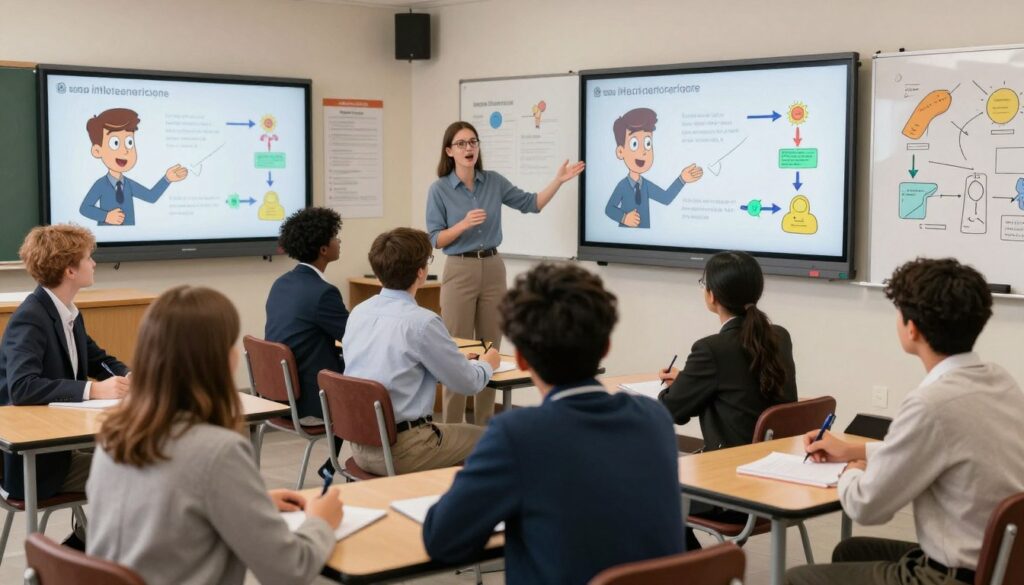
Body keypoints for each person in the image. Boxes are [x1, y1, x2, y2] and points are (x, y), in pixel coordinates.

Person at [423, 263, 683, 585]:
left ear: (520, 360)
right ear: (605, 348)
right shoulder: (654, 417)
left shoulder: (516, 435)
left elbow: (442, 539)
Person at [787, 258, 1024, 585]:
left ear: (911, 328)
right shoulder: (1001, 381)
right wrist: (853, 450)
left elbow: (867, 507)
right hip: (1003, 563)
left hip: (950, 576)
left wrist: (851, 471)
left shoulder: (930, 405)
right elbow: (940, 447)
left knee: (796, 579)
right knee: (851, 551)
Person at [88, 286, 343, 585]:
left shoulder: (114, 433)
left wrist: (251, 503)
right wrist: (320, 522)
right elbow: (289, 570)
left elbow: (172, 508)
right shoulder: (218, 451)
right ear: (219, 360)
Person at [425, 120, 584, 427]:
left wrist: (558, 180)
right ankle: (453, 430)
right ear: (449, 151)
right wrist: (462, 225)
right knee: (457, 350)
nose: (469, 148)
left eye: (473, 142)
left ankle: (485, 429)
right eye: (461, 143)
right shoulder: (440, 189)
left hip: (493, 268)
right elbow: (435, 238)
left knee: (489, 350)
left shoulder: (493, 182)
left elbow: (532, 204)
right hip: (459, 267)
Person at [657, 250, 797, 550]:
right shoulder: (779, 337)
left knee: (647, 495)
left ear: (712, 296)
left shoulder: (711, 349)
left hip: (731, 489)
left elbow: (669, 410)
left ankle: (700, 573)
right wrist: (690, 381)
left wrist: (676, 388)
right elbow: (740, 386)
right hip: (779, 482)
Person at [341, 228, 500, 475]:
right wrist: (488, 364)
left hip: (361, 447)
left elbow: (391, 368)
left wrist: (450, 363)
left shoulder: (359, 312)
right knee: (497, 439)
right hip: (405, 451)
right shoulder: (422, 322)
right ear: (421, 272)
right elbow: (468, 384)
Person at [0, 225, 128, 520]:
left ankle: (91, 549)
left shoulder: (67, 311)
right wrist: (93, 390)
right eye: (88, 258)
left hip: (63, 449)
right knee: (144, 471)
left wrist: (129, 376)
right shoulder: (31, 318)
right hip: (38, 467)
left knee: (139, 455)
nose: (94, 263)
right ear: (70, 270)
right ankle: (101, 552)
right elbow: (22, 387)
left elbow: (99, 360)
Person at [265, 207, 348, 424]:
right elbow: (355, 337)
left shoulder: (281, 283)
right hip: (312, 400)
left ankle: (335, 459)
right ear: (323, 249)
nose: (339, 241)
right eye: (334, 237)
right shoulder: (323, 293)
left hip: (280, 395)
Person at [79, 107, 188, 226]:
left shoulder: (129, 184)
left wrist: (167, 179)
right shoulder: (100, 184)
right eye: (115, 143)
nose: (125, 150)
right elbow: (85, 208)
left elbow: (151, 197)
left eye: (129, 143)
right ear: (97, 150)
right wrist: (106, 216)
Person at [603, 107, 703, 228]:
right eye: (634, 144)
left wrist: (682, 179)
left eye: (647, 143)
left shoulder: (646, 186)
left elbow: (666, 198)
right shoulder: (622, 186)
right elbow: (609, 209)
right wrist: (624, 218)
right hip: (625, 239)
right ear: (620, 151)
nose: (643, 151)